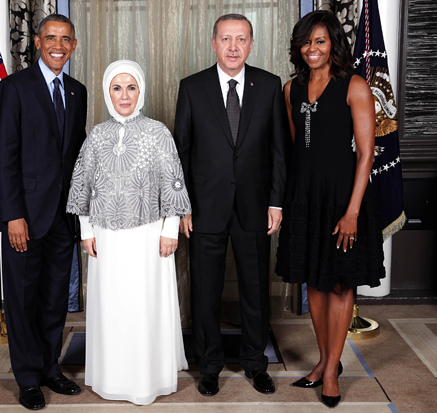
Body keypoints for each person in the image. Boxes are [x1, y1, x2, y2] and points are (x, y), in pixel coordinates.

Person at [173, 14, 289, 396]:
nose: (233, 47)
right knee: (205, 291)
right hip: (204, 207)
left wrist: (276, 202)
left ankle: (255, 363)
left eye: (241, 39)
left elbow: (279, 150)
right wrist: (183, 206)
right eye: (226, 39)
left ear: (251, 44)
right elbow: (181, 152)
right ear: (214, 43)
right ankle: (209, 366)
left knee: (255, 290)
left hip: (255, 205)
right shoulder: (192, 87)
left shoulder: (269, 85)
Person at [275, 10, 385, 409]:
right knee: (314, 283)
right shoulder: (291, 89)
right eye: (306, 42)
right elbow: (296, 150)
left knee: (339, 284)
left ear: (334, 44)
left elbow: (367, 154)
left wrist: (352, 212)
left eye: (320, 41)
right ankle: (324, 361)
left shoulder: (354, 85)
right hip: (305, 199)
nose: (312, 49)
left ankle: (333, 372)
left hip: (343, 200)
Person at [66, 60, 191, 405]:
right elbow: (82, 186)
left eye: (131, 87)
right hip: (106, 237)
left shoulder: (158, 132)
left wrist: (170, 229)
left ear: (141, 91)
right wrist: (86, 230)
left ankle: (148, 377)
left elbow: (173, 182)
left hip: (148, 236)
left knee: (144, 305)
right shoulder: (96, 136)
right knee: (112, 306)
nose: (124, 96)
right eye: (117, 88)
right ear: (108, 93)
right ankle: (112, 375)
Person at [0, 14, 87, 411]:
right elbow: (3, 156)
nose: (58, 46)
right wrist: (13, 215)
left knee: (53, 299)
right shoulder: (14, 88)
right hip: (25, 217)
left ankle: (50, 368)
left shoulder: (77, 92)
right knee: (23, 300)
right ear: (37, 41)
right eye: (51, 38)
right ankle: (28, 378)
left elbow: (77, 157)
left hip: (63, 217)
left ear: (74, 45)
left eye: (65, 39)